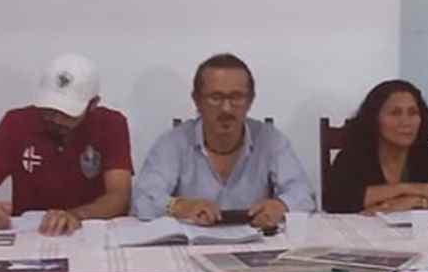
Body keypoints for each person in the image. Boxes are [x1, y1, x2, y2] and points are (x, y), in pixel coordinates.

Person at [132, 53, 314, 228]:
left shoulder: (271, 140)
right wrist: (180, 207)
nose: (226, 108)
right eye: (215, 98)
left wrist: (281, 206)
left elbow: (304, 194)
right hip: (193, 244)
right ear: (197, 101)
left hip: (257, 241)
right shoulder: (173, 143)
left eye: (236, 97)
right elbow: (143, 199)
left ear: (250, 101)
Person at [0, 54, 133, 236]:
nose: (56, 119)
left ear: (93, 105)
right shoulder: (16, 123)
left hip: (92, 235)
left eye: (67, 113)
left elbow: (119, 198)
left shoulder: (111, 124)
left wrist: (74, 215)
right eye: (49, 110)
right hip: (31, 236)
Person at [322, 79, 428, 213]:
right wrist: (406, 188)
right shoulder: (355, 154)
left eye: (413, 113)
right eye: (395, 113)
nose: (406, 122)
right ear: (374, 119)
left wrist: (414, 202)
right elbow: (334, 201)